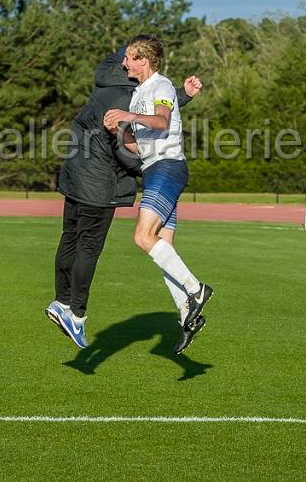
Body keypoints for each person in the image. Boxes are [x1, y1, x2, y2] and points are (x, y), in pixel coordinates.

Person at [45, 45, 202, 350]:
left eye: (132, 57)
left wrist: (179, 95)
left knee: (71, 239)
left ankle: (62, 302)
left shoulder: (108, 80)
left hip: (75, 173)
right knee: (98, 246)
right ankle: (76, 314)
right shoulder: (127, 97)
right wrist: (145, 161)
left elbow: (156, 105)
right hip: (101, 183)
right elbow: (131, 145)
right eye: (128, 58)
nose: (127, 62)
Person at [103, 34, 213, 354]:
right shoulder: (139, 93)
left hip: (168, 168)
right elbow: (140, 147)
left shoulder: (161, 86)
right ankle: (187, 315)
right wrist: (121, 133)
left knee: (142, 237)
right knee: (162, 246)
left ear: (143, 61)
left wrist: (128, 117)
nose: (124, 63)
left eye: (129, 58)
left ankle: (196, 289)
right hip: (154, 168)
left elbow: (162, 123)